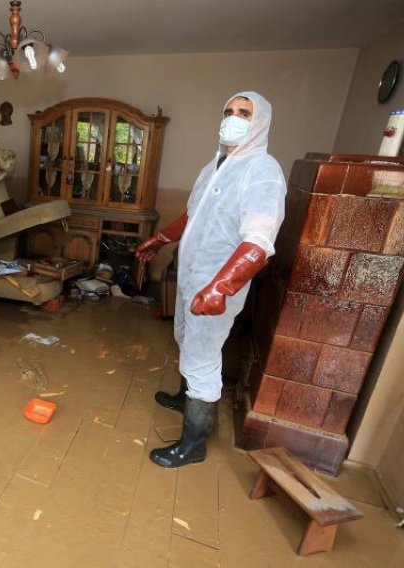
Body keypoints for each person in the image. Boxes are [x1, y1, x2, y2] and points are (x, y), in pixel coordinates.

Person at [136, 91, 286, 468]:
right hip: (192, 278)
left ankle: (193, 444)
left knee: (202, 358)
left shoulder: (262, 170)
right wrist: (161, 238)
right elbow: (193, 214)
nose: (233, 118)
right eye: (228, 111)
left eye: (243, 113)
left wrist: (221, 287)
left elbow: (259, 242)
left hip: (217, 285)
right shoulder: (216, 164)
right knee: (184, 338)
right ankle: (184, 398)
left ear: (260, 122)